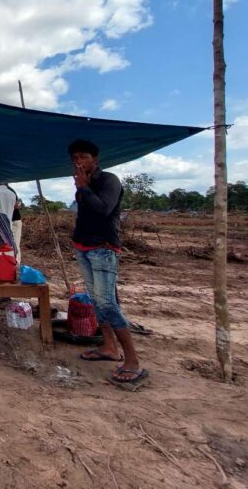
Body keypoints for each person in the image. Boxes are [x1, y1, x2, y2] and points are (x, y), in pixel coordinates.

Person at [68, 139, 146, 385]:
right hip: (84, 247)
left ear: (95, 159)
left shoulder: (108, 180)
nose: (78, 162)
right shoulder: (85, 184)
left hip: (102, 248)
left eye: (83, 157)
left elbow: (103, 209)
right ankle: (109, 347)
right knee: (97, 301)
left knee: (108, 303)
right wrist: (83, 188)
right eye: (75, 158)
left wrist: (84, 187)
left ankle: (132, 360)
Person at [0, 183, 22, 259]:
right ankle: (15, 265)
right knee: (14, 245)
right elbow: (16, 206)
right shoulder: (12, 193)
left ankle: (1, 263)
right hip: (10, 222)